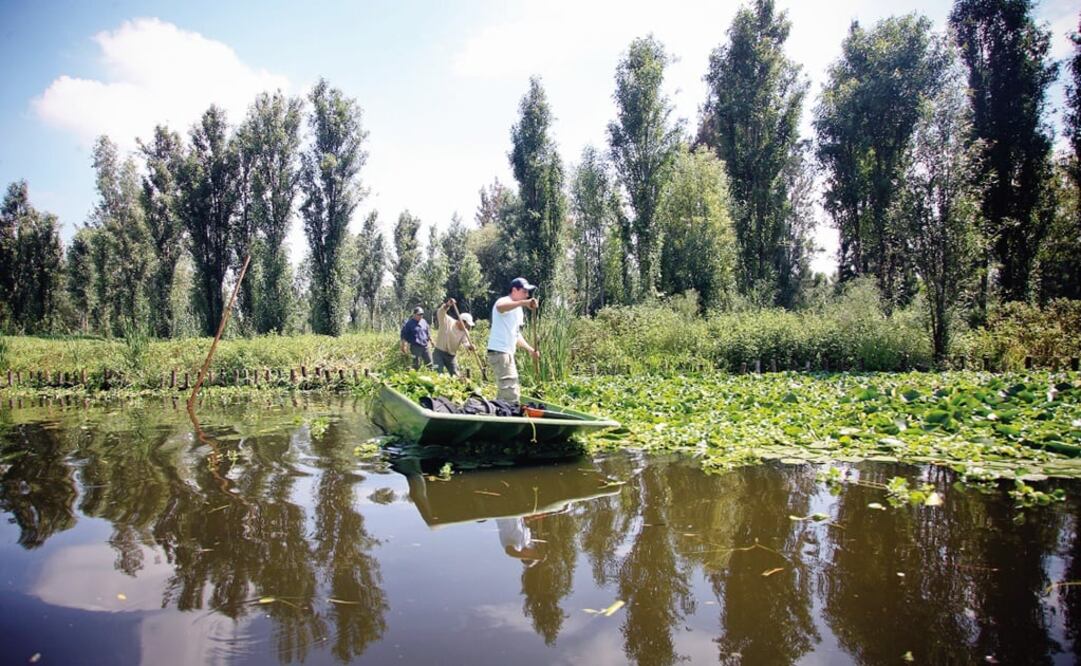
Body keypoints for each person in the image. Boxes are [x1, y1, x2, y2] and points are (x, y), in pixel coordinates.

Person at [486, 277, 540, 403]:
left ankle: (498, 416)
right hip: (500, 352)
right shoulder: (504, 301)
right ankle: (505, 419)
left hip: (507, 353)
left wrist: (530, 350)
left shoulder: (518, 310)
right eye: (524, 291)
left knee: (506, 391)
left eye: (528, 292)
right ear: (514, 290)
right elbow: (500, 307)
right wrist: (523, 303)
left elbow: (516, 335)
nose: (527, 295)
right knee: (511, 393)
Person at [432, 298, 476, 376]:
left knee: (456, 375)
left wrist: (470, 347)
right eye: (467, 324)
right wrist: (447, 305)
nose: (467, 327)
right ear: (461, 321)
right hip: (439, 352)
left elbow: (466, 342)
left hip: (451, 356)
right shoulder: (448, 321)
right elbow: (440, 312)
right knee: (438, 374)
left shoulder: (465, 332)